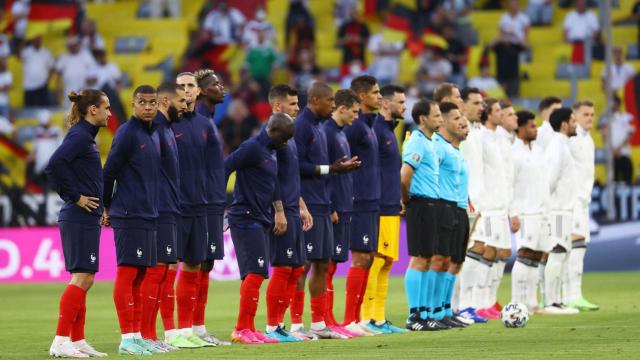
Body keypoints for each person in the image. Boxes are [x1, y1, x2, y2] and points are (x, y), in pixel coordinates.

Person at [46, 89, 111, 358]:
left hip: (87, 216)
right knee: (81, 277)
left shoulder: (86, 138)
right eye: (106, 107)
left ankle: (78, 340)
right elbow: (54, 165)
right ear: (92, 109)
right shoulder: (80, 136)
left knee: (87, 278)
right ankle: (61, 341)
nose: (110, 112)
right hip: (77, 216)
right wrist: (76, 197)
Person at [291, 81, 359, 339]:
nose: (333, 105)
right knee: (303, 264)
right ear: (315, 100)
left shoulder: (319, 127)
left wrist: (333, 168)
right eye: (329, 101)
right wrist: (331, 169)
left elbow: (322, 168)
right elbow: (296, 167)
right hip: (307, 204)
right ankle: (297, 325)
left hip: (322, 202)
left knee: (322, 262)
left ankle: (318, 324)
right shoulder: (302, 126)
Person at [224, 113, 296, 344]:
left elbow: (273, 183)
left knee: (257, 273)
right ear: (273, 131)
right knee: (255, 273)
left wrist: (278, 210)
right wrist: (221, 205)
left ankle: (249, 327)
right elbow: (225, 167)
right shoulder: (252, 148)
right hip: (245, 217)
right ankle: (240, 329)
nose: (285, 143)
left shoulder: (270, 151)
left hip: (261, 217)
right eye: (284, 138)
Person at [102, 85, 163, 355]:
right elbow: (108, 173)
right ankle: (126, 338)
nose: (148, 107)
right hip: (128, 213)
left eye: (152, 102)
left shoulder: (152, 134)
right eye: (142, 102)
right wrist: (106, 207)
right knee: (127, 274)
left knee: (140, 276)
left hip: (148, 213)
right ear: (133, 103)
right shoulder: (127, 133)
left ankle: (137, 335)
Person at [166, 72, 217, 348]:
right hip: (173, 207)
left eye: (190, 86)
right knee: (168, 267)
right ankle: (170, 332)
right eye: (181, 86)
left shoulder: (204, 125)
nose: (186, 91)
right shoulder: (166, 123)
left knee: (195, 265)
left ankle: (187, 329)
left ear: (198, 92)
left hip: (199, 205)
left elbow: (211, 168)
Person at [137, 83, 187, 352]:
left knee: (166, 272)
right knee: (156, 273)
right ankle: (146, 334)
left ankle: (157, 334)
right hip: (158, 209)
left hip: (170, 207)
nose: (186, 104)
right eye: (181, 100)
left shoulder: (166, 129)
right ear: (166, 100)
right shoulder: (154, 128)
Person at [264, 84, 315, 342]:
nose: (298, 108)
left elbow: (290, 176)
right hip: (282, 210)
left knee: (296, 268)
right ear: (277, 106)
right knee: (284, 268)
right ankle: (272, 326)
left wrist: (302, 206)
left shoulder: (290, 136)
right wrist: (279, 210)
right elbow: (271, 177)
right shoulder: (272, 136)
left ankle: (282, 326)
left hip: (295, 207)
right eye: (293, 104)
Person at [361, 84, 408, 334]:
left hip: (390, 204)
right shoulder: (376, 130)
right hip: (378, 206)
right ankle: (367, 318)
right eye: (400, 102)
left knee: (387, 261)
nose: (405, 106)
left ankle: (379, 318)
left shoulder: (388, 130)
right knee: (376, 261)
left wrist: (398, 197)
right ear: (387, 105)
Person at [457, 98, 509, 321]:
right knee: (472, 252)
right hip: (472, 202)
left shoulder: (485, 135)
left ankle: (480, 302)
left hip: (487, 203)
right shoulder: (467, 133)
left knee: (490, 252)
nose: (481, 107)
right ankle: (464, 305)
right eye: (476, 103)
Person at [401, 99, 448, 331]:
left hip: (431, 204)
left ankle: (426, 312)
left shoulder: (429, 142)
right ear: (423, 119)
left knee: (428, 258)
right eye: (437, 115)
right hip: (420, 204)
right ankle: (414, 316)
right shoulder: (417, 141)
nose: (441, 119)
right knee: (420, 258)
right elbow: (404, 176)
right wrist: (408, 200)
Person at [193, 69, 231, 346]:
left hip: (213, 202)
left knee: (206, 264)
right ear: (202, 91)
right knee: (195, 263)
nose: (221, 87)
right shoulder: (197, 122)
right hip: (200, 202)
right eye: (215, 84)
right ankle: (187, 328)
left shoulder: (209, 121)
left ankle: (198, 326)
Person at [341, 75, 383, 334]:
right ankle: (349, 320)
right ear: (362, 96)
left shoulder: (368, 125)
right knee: (360, 257)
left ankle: (356, 320)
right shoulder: (355, 128)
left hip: (371, 200)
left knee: (367, 258)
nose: (380, 97)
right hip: (358, 200)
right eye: (375, 93)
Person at [322, 89, 362, 338]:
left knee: (333, 265)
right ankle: (324, 318)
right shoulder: (327, 131)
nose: (356, 117)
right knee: (325, 266)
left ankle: (330, 319)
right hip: (333, 208)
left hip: (345, 205)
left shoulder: (340, 133)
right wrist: (331, 206)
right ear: (342, 108)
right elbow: (324, 173)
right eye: (354, 111)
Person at [430, 102, 470, 329]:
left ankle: (444, 309)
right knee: (439, 260)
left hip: (459, 206)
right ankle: (432, 310)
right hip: (443, 207)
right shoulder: (437, 146)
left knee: (454, 262)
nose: (462, 122)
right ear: (443, 121)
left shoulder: (454, 149)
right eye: (456, 118)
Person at [510, 110, 549, 314]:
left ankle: (532, 303)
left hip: (542, 212)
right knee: (524, 255)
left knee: (536, 257)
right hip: (525, 213)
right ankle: (516, 302)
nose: (536, 130)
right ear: (521, 128)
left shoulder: (538, 151)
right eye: (532, 126)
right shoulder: (513, 153)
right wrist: (514, 212)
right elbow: (509, 184)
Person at [542, 107, 580, 315]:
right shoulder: (557, 146)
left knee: (563, 253)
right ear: (564, 124)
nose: (576, 124)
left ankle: (557, 300)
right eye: (573, 120)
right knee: (557, 252)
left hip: (564, 210)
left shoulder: (562, 146)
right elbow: (549, 180)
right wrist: (548, 210)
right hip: (557, 210)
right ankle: (550, 302)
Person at [565, 101, 598, 311]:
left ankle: (575, 294)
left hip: (583, 202)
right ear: (574, 116)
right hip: (571, 201)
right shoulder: (571, 138)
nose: (590, 118)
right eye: (585, 114)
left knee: (580, 248)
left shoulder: (589, 139)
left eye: (593, 114)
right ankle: (568, 295)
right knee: (570, 250)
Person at [600, 96, 635, 184]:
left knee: (627, 182)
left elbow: (630, 135)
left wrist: (619, 149)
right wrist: (612, 150)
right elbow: (604, 137)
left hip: (624, 154)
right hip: (612, 157)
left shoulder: (627, 117)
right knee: (613, 183)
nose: (612, 106)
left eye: (614, 104)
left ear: (618, 104)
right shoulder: (605, 119)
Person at [54, 36, 98, 106]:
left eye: (75, 45)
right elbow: (58, 77)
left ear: (78, 45)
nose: (73, 48)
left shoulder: (86, 55)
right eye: (71, 46)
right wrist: (58, 94)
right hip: (68, 94)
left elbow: (95, 75)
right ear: (68, 47)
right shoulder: (63, 58)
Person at [21, 34, 54, 107]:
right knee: (30, 111)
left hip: (42, 86)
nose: (37, 41)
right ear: (32, 40)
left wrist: (47, 81)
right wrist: (23, 42)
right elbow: (18, 55)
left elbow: (51, 68)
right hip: (29, 86)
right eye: (36, 39)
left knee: (44, 109)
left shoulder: (46, 52)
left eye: (39, 39)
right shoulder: (26, 51)